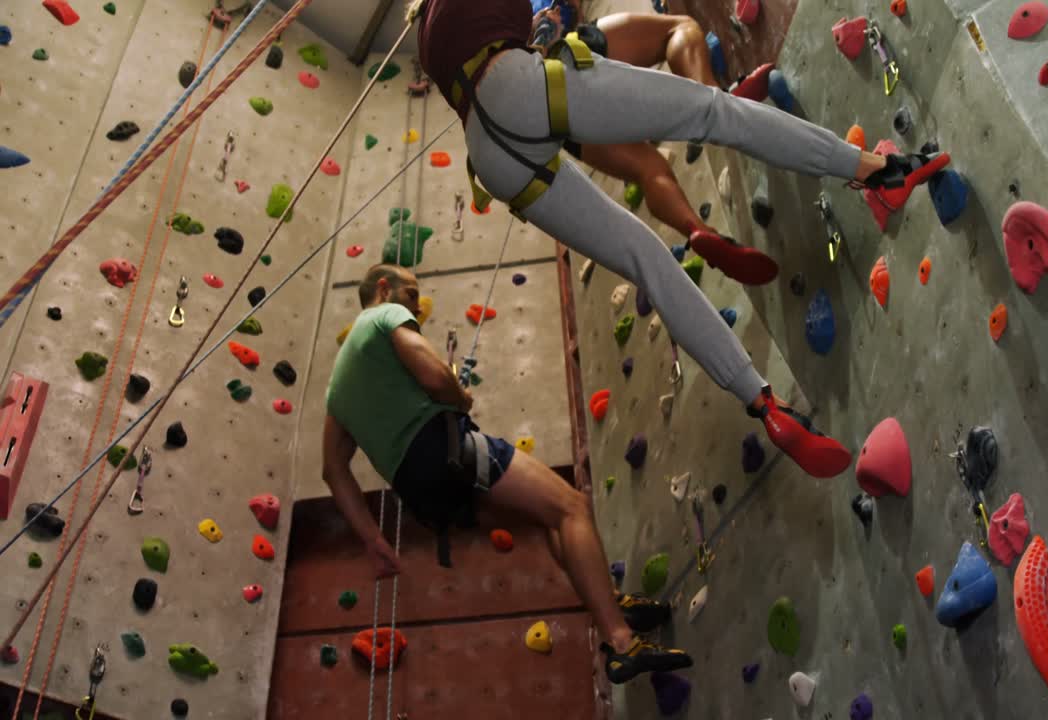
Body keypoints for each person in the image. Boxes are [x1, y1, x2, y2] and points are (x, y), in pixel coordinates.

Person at [413, 0, 949, 479]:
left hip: (489, 153)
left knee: (646, 259)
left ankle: (764, 405)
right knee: (712, 110)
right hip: (517, 85)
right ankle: (880, 170)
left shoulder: (428, 28)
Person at [323, 264, 690, 684]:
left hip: (421, 492)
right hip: (445, 451)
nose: (415, 310)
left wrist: (373, 540)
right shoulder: (382, 316)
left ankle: (609, 603)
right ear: (384, 289)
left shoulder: (337, 384)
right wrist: (459, 396)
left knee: (545, 517)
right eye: (411, 296)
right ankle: (622, 642)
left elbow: (333, 471)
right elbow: (434, 376)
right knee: (572, 507)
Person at [528, 0, 783, 286]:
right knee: (677, 30)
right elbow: (566, 11)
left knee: (649, 170)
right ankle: (717, 102)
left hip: (558, 119)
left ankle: (699, 230)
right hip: (571, 56)